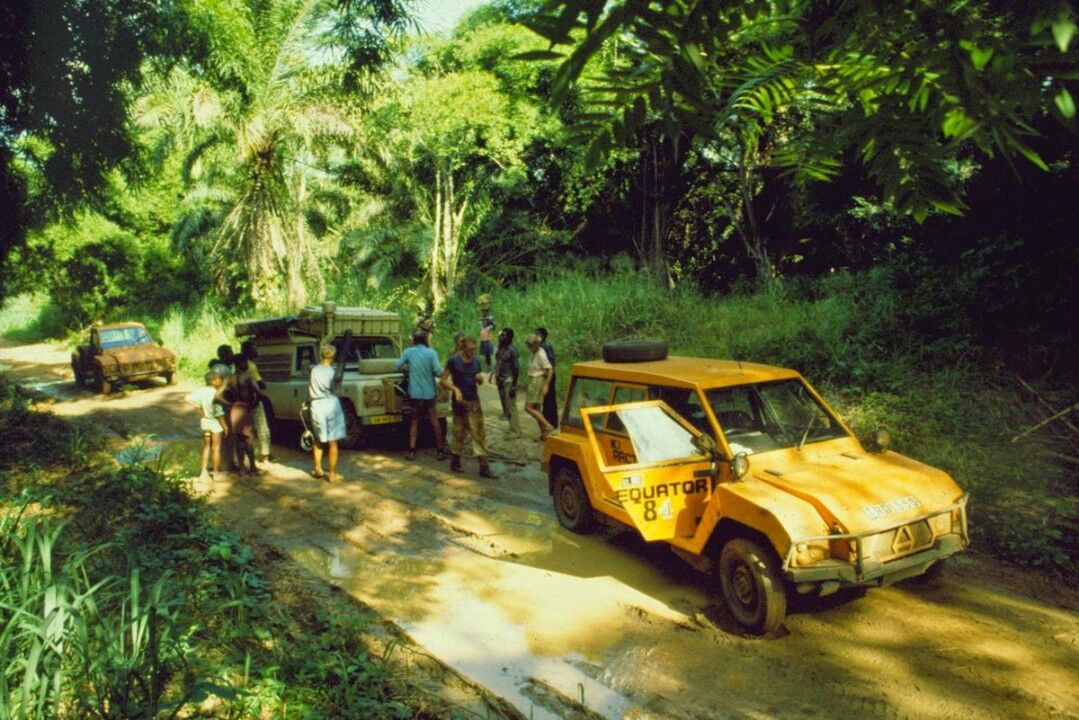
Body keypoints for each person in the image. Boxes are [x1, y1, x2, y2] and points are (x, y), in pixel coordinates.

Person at [441, 336, 496, 478]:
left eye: (474, 349)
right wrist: (455, 389)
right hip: (459, 403)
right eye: (470, 349)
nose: (472, 352)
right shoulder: (453, 360)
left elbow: (479, 379)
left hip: (473, 402)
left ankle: (484, 467)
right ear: (463, 348)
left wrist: (480, 379)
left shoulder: (476, 361)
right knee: (459, 433)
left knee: (478, 433)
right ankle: (455, 461)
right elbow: (443, 380)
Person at [394, 330, 446, 460]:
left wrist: (407, 368)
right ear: (426, 341)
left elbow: (396, 366)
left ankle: (412, 451)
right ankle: (440, 450)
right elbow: (438, 372)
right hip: (429, 393)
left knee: (414, 420)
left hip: (415, 393)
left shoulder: (408, 352)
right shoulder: (431, 352)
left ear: (414, 341)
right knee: (434, 420)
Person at [308, 344, 346, 482]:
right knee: (333, 441)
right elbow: (338, 391)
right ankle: (332, 474)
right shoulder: (334, 372)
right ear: (332, 356)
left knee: (318, 439)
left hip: (317, 405)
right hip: (332, 404)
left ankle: (318, 469)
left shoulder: (313, 370)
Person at [222, 355, 262, 475]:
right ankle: (253, 467)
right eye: (245, 362)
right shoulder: (248, 377)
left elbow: (220, 395)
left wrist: (230, 404)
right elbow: (259, 392)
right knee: (248, 438)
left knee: (238, 439)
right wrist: (254, 405)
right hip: (246, 408)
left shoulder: (230, 378)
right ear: (241, 363)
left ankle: (242, 468)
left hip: (235, 409)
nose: (247, 364)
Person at [186, 371, 228, 481]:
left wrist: (199, 406)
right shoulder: (216, 393)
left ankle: (203, 473)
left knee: (206, 447)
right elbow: (219, 413)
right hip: (215, 424)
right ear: (213, 381)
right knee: (216, 448)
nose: (220, 380)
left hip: (205, 423)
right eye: (219, 379)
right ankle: (216, 474)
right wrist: (225, 427)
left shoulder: (201, 391)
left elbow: (188, 398)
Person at [240, 340, 274, 462]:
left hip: (242, 403)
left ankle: (252, 455)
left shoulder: (239, 365)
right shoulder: (251, 366)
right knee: (262, 428)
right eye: (254, 348)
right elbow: (260, 384)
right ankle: (265, 455)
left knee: (248, 430)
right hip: (254, 401)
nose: (256, 350)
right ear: (249, 350)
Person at [209, 344, 238, 469]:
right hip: (223, 404)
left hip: (213, 405)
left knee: (216, 435)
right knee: (228, 435)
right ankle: (230, 463)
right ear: (225, 355)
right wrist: (230, 404)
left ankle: (217, 464)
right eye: (230, 353)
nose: (232, 355)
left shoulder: (215, 367)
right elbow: (226, 389)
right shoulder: (225, 370)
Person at [524, 333, 556, 440]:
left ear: (536, 344)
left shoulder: (541, 354)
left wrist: (546, 385)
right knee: (537, 409)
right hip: (534, 379)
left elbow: (550, 370)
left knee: (528, 408)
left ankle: (548, 426)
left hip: (537, 380)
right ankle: (544, 434)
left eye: (530, 345)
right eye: (528, 345)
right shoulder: (535, 352)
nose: (529, 347)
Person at [492, 327, 521, 437]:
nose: (500, 337)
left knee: (511, 407)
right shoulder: (501, 348)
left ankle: (515, 431)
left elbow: (516, 368)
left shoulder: (513, 350)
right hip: (500, 380)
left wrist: (514, 385)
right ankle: (512, 428)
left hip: (508, 381)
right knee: (506, 406)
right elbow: (498, 363)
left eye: (503, 335)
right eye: (500, 335)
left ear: (509, 337)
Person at [535, 327, 559, 428]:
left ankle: (551, 423)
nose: (535, 336)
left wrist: (547, 380)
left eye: (537, 334)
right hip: (543, 377)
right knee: (545, 401)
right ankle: (548, 422)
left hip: (548, 377)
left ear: (543, 336)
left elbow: (551, 364)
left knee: (550, 400)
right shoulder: (539, 347)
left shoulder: (546, 346)